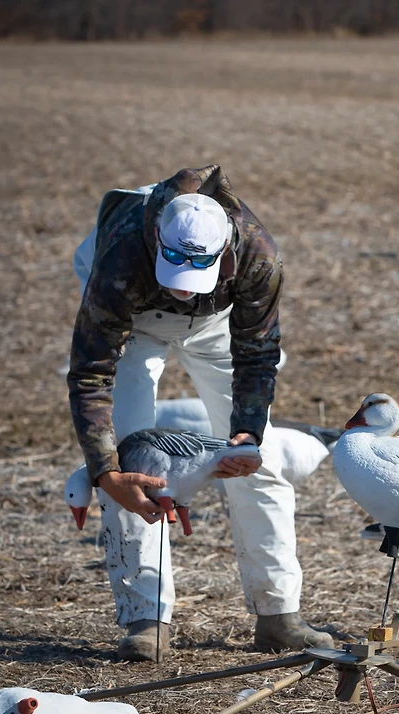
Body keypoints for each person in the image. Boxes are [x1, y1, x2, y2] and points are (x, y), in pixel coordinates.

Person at [68, 165, 334, 661]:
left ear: (224, 255)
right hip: (135, 320)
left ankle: (278, 615)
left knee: (263, 462)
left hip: (218, 323)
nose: (183, 289)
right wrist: (104, 471)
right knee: (131, 465)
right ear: (155, 241)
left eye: (196, 275)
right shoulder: (120, 259)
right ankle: (145, 619)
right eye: (175, 273)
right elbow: (91, 373)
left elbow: (257, 355)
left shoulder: (259, 259)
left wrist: (246, 436)